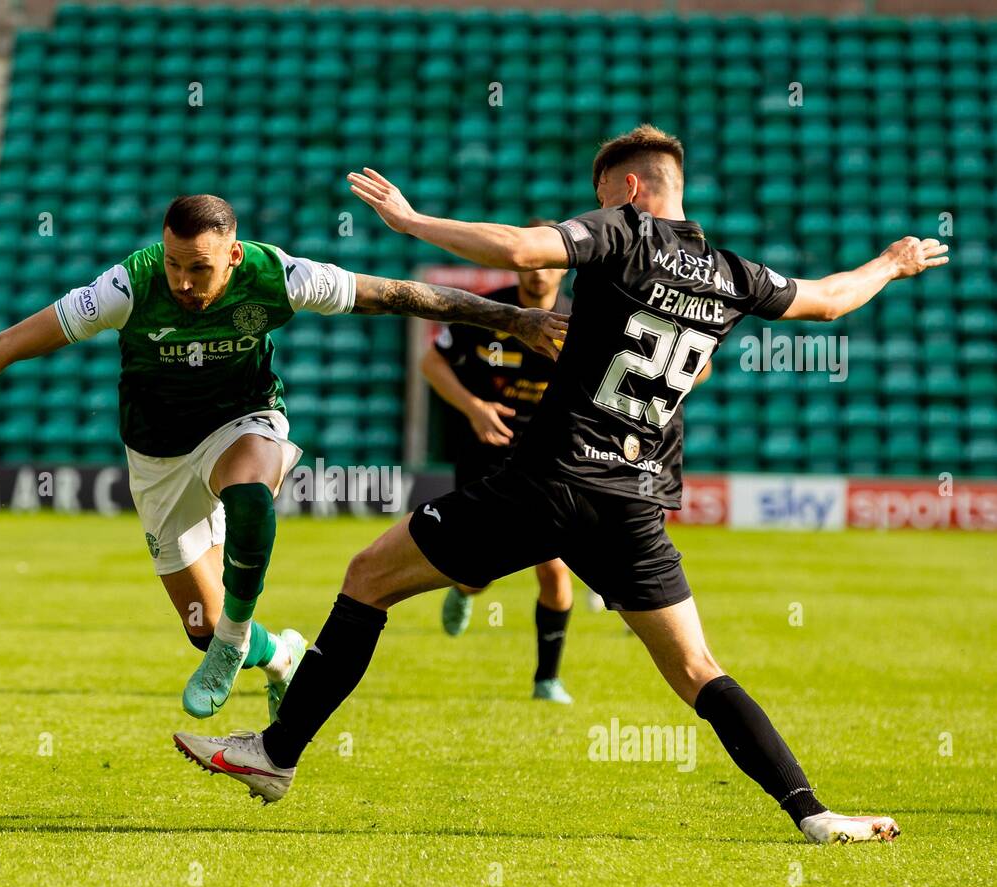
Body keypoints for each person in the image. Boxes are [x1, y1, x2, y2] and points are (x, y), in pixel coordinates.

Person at [172, 127, 948, 846]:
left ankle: (275, 753)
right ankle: (812, 812)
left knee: (368, 577)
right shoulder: (735, 273)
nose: (601, 208)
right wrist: (893, 263)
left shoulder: (624, 231)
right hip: (635, 502)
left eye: (607, 196)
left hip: (550, 481)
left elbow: (520, 246)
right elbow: (829, 297)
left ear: (634, 190)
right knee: (697, 670)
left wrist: (412, 222)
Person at [0, 194, 566, 722]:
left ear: (234, 255)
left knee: (251, 491)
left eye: (203, 270)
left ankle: (236, 636)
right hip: (157, 457)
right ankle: (273, 653)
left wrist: (512, 318)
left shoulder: (277, 275)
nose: (186, 284)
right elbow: (1, 347)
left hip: (242, 422)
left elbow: (401, 294)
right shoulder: (128, 284)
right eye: (178, 265)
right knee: (195, 621)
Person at [419, 235, 576, 703]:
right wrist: (474, 408)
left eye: (550, 264)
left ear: (563, 271)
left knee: (554, 568)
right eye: (533, 263)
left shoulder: (580, 324)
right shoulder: (487, 312)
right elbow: (431, 363)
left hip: (546, 462)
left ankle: (546, 680)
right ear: (519, 264)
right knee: (477, 571)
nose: (538, 273)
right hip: (485, 455)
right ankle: (464, 592)